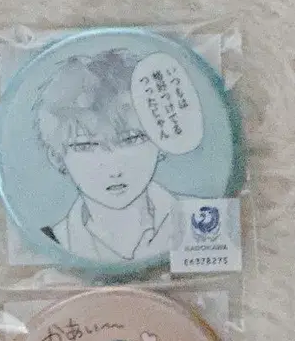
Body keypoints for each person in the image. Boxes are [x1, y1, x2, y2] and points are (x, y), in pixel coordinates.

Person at [33, 49, 186, 263]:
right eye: (85, 146)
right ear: (57, 157)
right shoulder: (52, 242)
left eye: (131, 139)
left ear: (161, 142)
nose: (114, 168)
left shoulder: (201, 217)